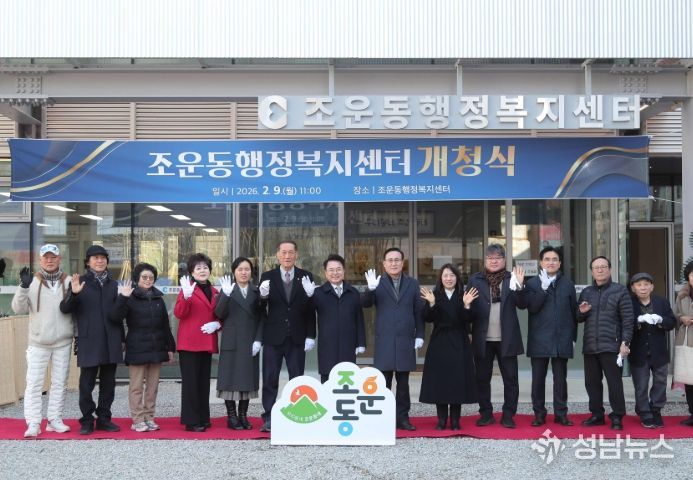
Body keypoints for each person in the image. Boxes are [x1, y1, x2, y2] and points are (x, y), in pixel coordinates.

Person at [60, 245, 124, 435]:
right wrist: (74, 293)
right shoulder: (79, 282)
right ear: (88, 262)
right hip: (89, 339)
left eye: (103, 258)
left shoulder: (114, 284)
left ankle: (104, 418)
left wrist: (122, 339)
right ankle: (87, 420)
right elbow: (65, 309)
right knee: (86, 384)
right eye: (95, 258)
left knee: (108, 383)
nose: (100, 261)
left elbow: (119, 315)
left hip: (111, 339)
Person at [11, 244, 73, 438]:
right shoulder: (31, 282)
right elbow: (18, 309)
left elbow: (76, 310)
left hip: (63, 341)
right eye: (46, 257)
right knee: (34, 384)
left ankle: (54, 419)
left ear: (59, 259)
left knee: (59, 383)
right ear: (40, 260)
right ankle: (33, 422)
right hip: (38, 342)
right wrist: (23, 287)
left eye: (53, 257)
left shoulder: (69, 281)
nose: (49, 260)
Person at [362, 247, 424, 431]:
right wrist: (370, 289)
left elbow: (418, 311)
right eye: (390, 260)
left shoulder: (412, 284)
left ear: (402, 263)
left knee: (403, 384)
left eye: (397, 260)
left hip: (405, 340)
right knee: (383, 383)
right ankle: (384, 418)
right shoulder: (377, 283)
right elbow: (365, 304)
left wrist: (420, 334)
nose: (394, 263)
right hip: (385, 340)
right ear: (384, 263)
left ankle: (403, 418)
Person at [466, 244, 527, 429]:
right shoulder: (475, 279)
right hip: (482, 338)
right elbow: (468, 308)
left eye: (498, 258)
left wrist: (520, 286)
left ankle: (508, 415)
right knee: (482, 379)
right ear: (485, 260)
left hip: (507, 338)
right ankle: (486, 414)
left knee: (511, 379)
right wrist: (468, 332)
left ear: (504, 260)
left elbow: (522, 304)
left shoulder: (511, 278)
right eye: (490, 258)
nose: (494, 261)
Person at [109, 263, 175, 433]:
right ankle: (137, 419)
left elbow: (165, 325)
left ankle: (149, 416)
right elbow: (115, 317)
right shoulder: (129, 297)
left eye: (151, 277)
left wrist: (170, 347)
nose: (148, 280)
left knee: (152, 387)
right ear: (137, 279)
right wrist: (123, 298)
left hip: (157, 347)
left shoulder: (158, 299)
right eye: (144, 277)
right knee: (136, 387)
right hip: (136, 347)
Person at [258, 240, 316, 432]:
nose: (287, 256)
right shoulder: (267, 276)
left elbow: (310, 310)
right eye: (284, 252)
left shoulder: (306, 276)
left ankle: (296, 413)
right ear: (277, 254)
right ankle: (269, 416)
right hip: (273, 336)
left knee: (297, 378)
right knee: (270, 378)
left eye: (291, 252)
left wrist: (311, 335)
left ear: (296, 254)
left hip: (297, 336)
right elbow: (260, 308)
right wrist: (262, 296)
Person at [419, 264, 478, 430]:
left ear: (457, 278)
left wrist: (467, 306)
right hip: (439, 342)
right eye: (445, 275)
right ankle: (442, 420)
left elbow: (469, 319)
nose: (449, 278)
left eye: (452, 275)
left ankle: (456, 421)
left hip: (460, 341)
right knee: (441, 382)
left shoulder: (463, 295)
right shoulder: (434, 295)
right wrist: (431, 304)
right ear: (441, 278)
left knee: (457, 381)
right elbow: (427, 318)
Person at [577, 256, 633, 430]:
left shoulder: (620, 291)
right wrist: (582, 312)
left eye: (603, 266)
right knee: (592, 383)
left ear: (610, 269)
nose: (600, 270)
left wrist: (625, 342)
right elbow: (578, 317)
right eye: (596, 267)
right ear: (592, 271)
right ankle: (597, 415)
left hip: (612, 346)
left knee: (614, 383)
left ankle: (617, 416)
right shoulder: (586, 292)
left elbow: (628, 319)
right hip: (590, 346)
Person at [524, 247, 577, 427]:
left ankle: (561, 414)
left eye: (555, 259)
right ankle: (539, 414)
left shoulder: (568, 284)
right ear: (541, 263)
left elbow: (573, 313)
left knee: (560, 380)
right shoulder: (532, 284)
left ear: (560, 263)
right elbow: (532, 308)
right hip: (539, 339)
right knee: (538, 380)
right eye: (547, 259)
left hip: (562, 339)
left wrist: (573, 338)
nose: (551, 262)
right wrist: (543, 288)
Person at [214, 257, 264, 430]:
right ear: (234, 272)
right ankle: (231, 416)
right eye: (240, 269)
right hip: (232, 340)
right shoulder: (228, 289)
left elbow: (262, 318)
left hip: (250, 341)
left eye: (247, 269)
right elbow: (219, 313)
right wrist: (225, 295)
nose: (244, 273)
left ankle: (243, 415)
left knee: (247, 380)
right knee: (229, 379)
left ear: (251, 272)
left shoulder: (257, 291)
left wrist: (259, 340)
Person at [174, 253, 220, 432]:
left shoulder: (215, 291)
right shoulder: (187, 289)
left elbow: (221, 313)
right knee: (191, 384)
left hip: (206, 342)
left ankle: (203, 417)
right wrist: (186, 297)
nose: (202, 270)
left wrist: (218, 323)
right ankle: (191, 421)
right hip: (190, 343)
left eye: (205, 267)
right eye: (198, 268)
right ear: (192, 272)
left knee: (203, 382)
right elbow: (179, 313)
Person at [628, 272, 676, 428]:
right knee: (641, 384)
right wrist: (638, 321)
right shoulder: (629, 303)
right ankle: (644, 412)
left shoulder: (661, 302)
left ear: (652, 287)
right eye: (639, 285)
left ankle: (655, 409)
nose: (643, 288)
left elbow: (672, 322)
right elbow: (623, 324)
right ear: (633, 288)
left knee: (660, 382)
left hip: (659, 351)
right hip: (638, 351)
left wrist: (661, 320)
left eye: (646, 284)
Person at [312, 254, 366, 383]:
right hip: (327, 345)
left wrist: (361, 342)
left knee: (348, 380)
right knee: (327, 381)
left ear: (344, 271)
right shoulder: (318, 293)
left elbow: (359, 318)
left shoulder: (353, 292)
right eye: (331, 270)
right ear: (325, 273)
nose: (335, 273)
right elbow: (306, 313)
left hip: (348, 344)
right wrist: (308, 297)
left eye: (338, 269)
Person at [674, 260, 693, 427]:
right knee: (689, 379)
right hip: (686, 341)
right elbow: (675, 314)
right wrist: (682, 318)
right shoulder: (682, 294)